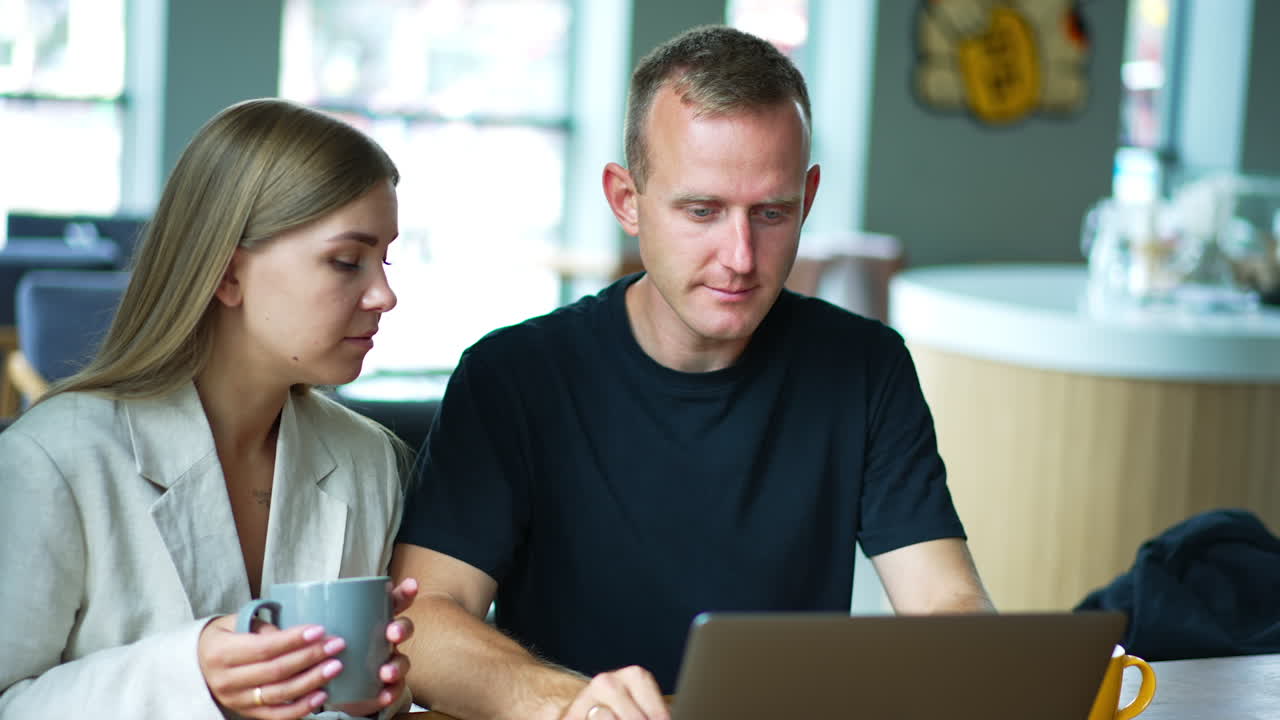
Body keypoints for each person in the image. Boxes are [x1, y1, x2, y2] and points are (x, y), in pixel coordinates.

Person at [393, 25, 994, 720]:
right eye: (702, 211)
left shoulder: (865, 366)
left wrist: (986, 670)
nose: (741, 256)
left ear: (809, 196)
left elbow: (946, 598)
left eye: (772, 213)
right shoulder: (513, 376)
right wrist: (573, 704)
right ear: (626, 199)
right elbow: (422, 624)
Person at [0, 98, 418, 719]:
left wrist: (379, 694)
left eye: (383, 259)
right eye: (346, 261)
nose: (385, 294)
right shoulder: (50, 461)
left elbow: (354, 699)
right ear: (227, 274)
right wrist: (188, 677)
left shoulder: (365, 458)